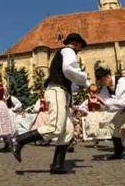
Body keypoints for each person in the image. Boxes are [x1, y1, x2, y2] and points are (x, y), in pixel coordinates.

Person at [11, 32, 89, 174]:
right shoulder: (68, 50)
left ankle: (57, 165)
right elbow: (69, 69)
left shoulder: (64, 54)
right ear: (76, 43)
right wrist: (83, 79)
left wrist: (79, 85)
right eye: (81, 46)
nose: (80, 50)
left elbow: (68, 79)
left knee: (68, 131)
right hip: (57, 91)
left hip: (61, 92)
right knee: (55, 128)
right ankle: (19, 140)